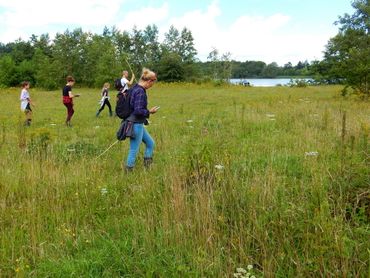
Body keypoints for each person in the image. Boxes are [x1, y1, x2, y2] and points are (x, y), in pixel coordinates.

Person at [124, 68, 159, 171]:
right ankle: (128, 171)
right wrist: (149, 112)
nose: (151, 86)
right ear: (149, 81)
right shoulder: (140, 91)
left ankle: (148, 166)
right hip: (136, 124)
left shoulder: (136, 88)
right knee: (134, 149)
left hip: (139, 123)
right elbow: (138, 110)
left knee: (150, 143)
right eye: (152, 83)